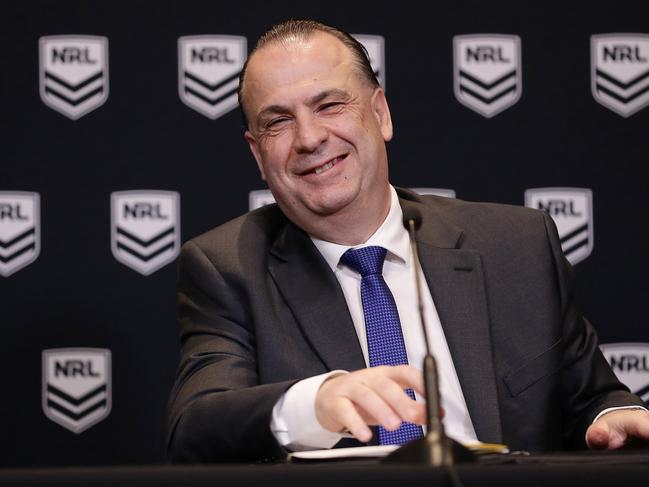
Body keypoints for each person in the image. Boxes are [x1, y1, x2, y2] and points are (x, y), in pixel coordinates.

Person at [167, 20, 649, 463]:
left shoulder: (517, 245)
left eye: (329, 105)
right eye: (277, 121)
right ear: (257, 152)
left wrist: (612, 417)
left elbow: (591, 398)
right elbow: (195, 428)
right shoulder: (227, 266)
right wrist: (314, 404)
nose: (310, 138)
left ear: (380, 114)